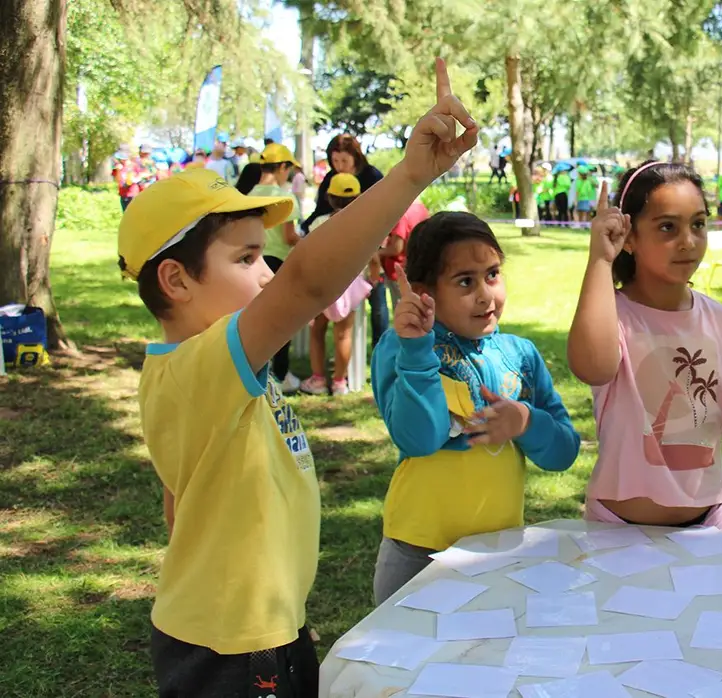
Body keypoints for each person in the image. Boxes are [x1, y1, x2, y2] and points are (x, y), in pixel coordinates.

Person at [115, 58, 477, 697]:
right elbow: (308, 282)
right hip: (230, 650)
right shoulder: (204, 364)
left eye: (267, 254)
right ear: (176, 280)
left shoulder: (212, 373)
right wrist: (413, 173)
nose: (267, 273)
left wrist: (274, 613)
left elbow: (182, 504)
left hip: (253, 629)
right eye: (247, 257)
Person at [370, 212, 580, 604]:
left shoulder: (521, 356)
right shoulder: (401, 348)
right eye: (466, 281)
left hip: (500, 552)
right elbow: (419, 438)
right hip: (418, 552)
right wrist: (417, 350)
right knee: (409, 660)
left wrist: (526, 421)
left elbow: (564, 451)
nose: (486, 294)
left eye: (493, 274)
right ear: (423, 291)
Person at [566, 164, 722, 529]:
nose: (688, 241)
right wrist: (600, 259)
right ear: (630, 236)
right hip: (617, 531)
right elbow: (592, 367)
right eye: (668, 227)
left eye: (698, 224)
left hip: (711, 523)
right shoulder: (613, 315)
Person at [302, 134, 389, 347]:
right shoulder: (330, 179)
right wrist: (305, 228)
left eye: (344, 161)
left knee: (378, 305)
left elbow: (385, 209)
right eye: (335, 161)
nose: (339, 166)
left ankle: (381, 346)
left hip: (370, 246)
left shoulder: (372, 176)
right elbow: (319, 211)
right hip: (337, 255)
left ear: (355, 158)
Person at [300, 173, 373, 397]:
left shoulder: (320, 223)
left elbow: (311, 253)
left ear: (329, 197)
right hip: (349, 285)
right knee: (344, 334)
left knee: (317, 330)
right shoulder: (366, 223)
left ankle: (319, 379)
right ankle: (340, 381)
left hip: (323, 284)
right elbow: (372, 255)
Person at [248, 143, 305, 394]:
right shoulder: (285, 197)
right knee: (282, 320)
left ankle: (255, 370)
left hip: (252, 263)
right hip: (280, 263)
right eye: (289, 169)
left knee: (255, 319)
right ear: (282, 167)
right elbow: (290, 236)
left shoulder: (247, 196)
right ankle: (281, 375)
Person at [379, 198, 431, 307]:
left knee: (404, 310)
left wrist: (376, 253)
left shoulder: (401, 214)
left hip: (400, 272)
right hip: (420, 268)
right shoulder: (421, 208)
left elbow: (396, 248)